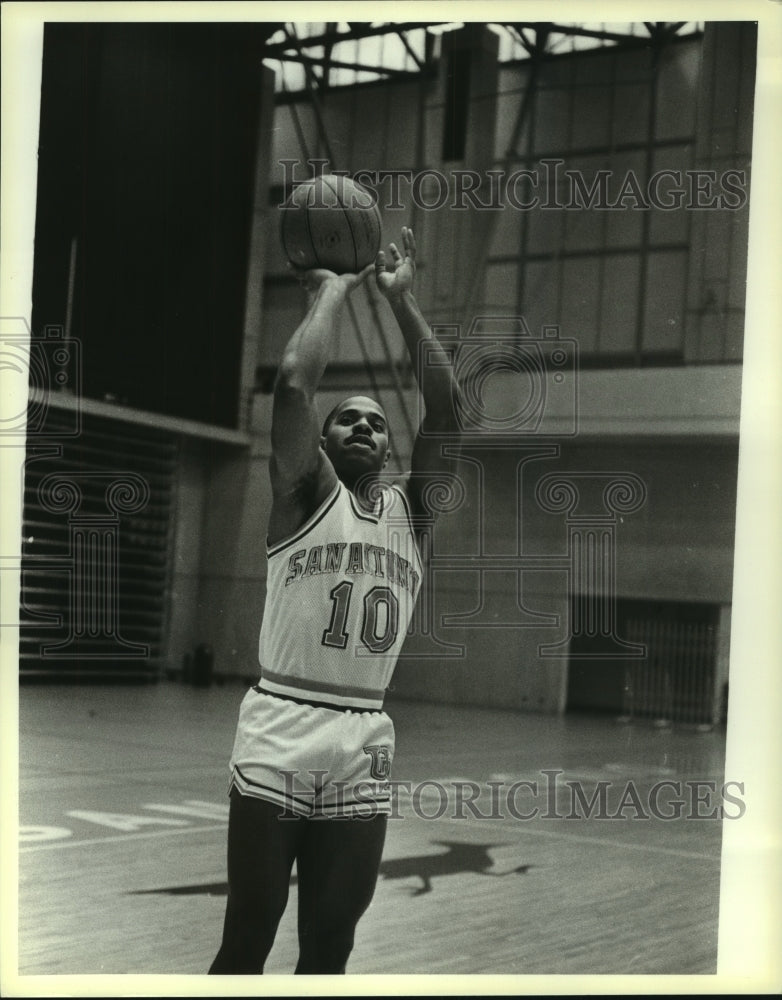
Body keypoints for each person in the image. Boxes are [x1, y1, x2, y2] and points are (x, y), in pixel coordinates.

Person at [209, 226, 461, 975]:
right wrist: (334, 291)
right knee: (248, 938)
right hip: (281, 724)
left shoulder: (414, 515)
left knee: (330, 949)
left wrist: (402, 302)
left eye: (377, 422)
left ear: (390, 450)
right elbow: (291, 382)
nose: (364, 425)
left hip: (365, 740)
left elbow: (449, 412)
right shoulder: (302, 492)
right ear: (319, 441)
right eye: (347, 416)